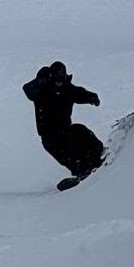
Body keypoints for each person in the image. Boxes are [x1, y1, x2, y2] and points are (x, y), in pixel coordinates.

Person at [22, 62, 105, 190]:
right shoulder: (42, 90)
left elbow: (78, 93)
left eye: (61, 80)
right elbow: (28, 90)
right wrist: (39, 81)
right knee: (69, 157)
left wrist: (90, 97)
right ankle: (81, 172)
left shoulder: (67, 89)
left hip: (66, 131)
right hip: (50, 138)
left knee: (80, 131)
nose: (59, 83)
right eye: (56, 80)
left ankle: (100, 156)